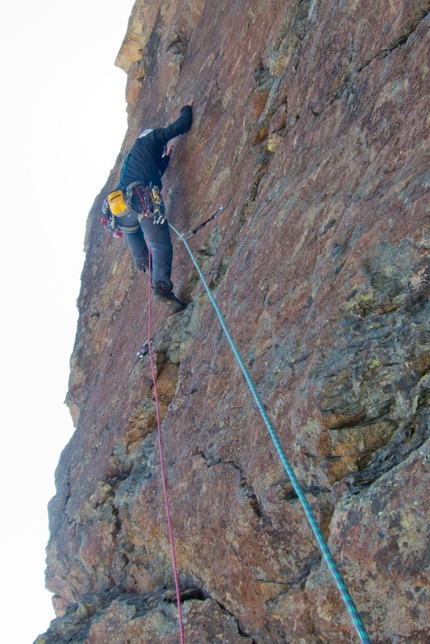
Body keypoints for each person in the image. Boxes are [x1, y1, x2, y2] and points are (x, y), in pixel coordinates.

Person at [107, 100, 193, 313]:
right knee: (159, 244)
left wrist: (165, 159)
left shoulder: (133, 158)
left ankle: (147, 267)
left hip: (119, 211)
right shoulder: (151, 139)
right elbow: (180, 126)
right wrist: (187, 108)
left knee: (138, 244)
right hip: (139, 200)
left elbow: (152, 171)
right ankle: (162, 287)